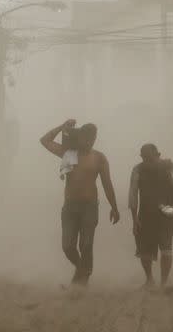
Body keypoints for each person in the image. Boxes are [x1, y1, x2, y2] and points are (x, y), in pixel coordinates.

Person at [40, 119, 120, 286]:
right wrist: (61, 127)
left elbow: (107, 183)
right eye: (86, 138)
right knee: (67, 246)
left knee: (86, 244)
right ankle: (82, 269)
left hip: (89, 207)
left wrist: (114, 207)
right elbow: (45, 141)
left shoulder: (99, 158)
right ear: (79, 137)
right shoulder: (68, 153)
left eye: (93, 139)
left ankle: (83, 279)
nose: (90, 142)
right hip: (70, 206)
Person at [129, 143, 173, 289]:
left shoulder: (170, 167)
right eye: (145, 158)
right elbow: (133, 195)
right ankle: (149, 280)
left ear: (158, 155)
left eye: (150, 158)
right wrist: (135, 219)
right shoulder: (137, 170)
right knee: (144, 251)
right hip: (145, 214)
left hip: (165, 214)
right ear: (142, 158)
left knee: (166, 248)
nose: (148, 161)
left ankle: (164, 283)